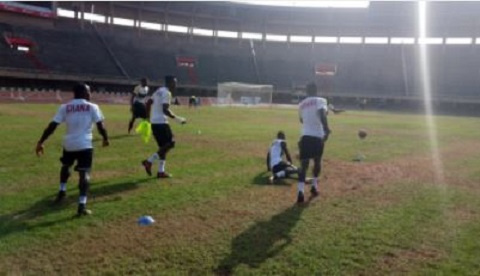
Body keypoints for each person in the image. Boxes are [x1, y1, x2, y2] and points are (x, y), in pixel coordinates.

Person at [36, 83, 109, 216]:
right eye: (88, 92)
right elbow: (100, 126)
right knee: (84, 173)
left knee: (65, 166)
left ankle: (62, 191)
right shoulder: (93, 107)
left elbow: (52, 126)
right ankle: (81, 205)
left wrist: (41, 141)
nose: (90, 94)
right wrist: (105, 138)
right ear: (84, 93)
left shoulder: (65, 107)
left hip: (69, 144)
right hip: (85, 144)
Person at [142, 75, 186, 178]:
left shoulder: (158, 91)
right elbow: (165, 110)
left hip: (154, 122)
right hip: (161, 122)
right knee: (171, 143)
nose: (176, 85)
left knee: (163, 148)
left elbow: (148, 103)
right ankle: (149, 161)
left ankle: (161, 172)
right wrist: (178, 119)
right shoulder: (167, 93)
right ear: (170, 83)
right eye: (175, 82)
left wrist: (148, 118)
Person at [297, 82, 331, 203]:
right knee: (317, 162)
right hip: (317, 136)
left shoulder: (301, 104)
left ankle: (300, 191)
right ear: (316, 91)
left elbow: (301, 120)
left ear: (307, 91)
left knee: (303, 165)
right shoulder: (320, 100)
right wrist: (326, 128)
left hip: (305, 136)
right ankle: (314, 187)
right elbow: (322, 113)